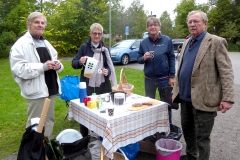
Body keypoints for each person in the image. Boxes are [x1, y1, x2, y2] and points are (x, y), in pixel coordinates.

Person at [172, 10, 234, 160]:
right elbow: (181, 69)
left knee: (202, 138)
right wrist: (175, 90)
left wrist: (228, 98)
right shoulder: (187, 42)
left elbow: (226, 71)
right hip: (185, 98)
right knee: (188, 131)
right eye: (190, 22)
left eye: (196, 21)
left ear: (205, 24)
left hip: (204, 99)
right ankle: (192, 156)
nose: (192, 24)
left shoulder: (216, 42)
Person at [9, 12, 64, 139]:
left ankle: (46, 149)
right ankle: (33, 152)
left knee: (49, 120)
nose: (40, 25)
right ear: (29, 24)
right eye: (36, 22)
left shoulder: (45, 42)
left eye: (42, 23)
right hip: (36, 91)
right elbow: (19, 69)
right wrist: (43, 67)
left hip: (50, 88)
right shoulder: (21, 44)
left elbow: (56, 60)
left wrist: (58, 66)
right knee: (35, 124)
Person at [72, 23, 117, 137]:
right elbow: (74, 63)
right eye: (94, 33)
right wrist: (80, 61)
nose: (97, 36)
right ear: (90, 34)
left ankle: (102, 135)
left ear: (102, 35)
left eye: (99, 34)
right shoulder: (84, 47)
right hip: (88, 85)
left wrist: (108, 71)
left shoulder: (105, 49)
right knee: (86, 111)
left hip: (103, 85)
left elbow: (109, 66)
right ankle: (85, 137)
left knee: (102, 109)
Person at [137, 17, 175, 124]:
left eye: (155, 24)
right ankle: (151, 127)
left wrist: (172, 76)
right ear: (147, 28)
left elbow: (172, 57)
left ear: (159, 26)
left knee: (166, 104)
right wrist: (143, 57)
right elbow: (138, 59)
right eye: (150, 25)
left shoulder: (167, 40)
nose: (153, 27)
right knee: (149, 104)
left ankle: (168, 127)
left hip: (163, 79)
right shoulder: (144, 42)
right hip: (149, 79)